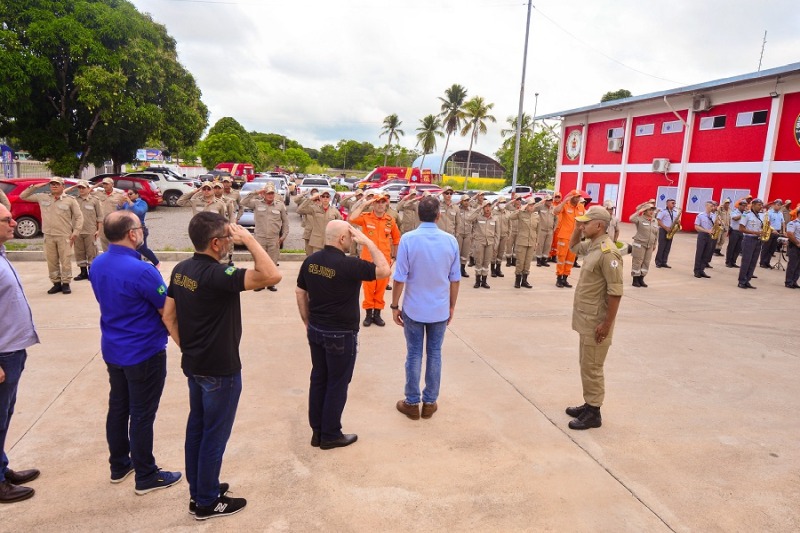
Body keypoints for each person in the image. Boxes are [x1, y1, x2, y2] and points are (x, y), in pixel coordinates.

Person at [162, 212, 282, 520]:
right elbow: (271, 274)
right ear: (216, 244)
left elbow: (168, 317)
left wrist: (188, 348)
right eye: (228, 238)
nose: (231, 242)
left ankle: (201, 488)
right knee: (214, 436)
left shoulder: (181, 269)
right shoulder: (219, 275)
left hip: (195, 365)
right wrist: (251, 239)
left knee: (198, 430)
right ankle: (206, 502)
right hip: (220, 370)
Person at [88, 211, 181, 495]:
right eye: (140, 228)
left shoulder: (98, 263)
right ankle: (146, 474)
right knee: (142, 414)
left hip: (114, 348)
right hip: (143, 351)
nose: (142, 232)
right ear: (132, 233)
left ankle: (119, 464)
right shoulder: (142, 270)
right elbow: (166, 310)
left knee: (119, 407)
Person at [295, 220, 391, 450]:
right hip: (340, 335)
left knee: (319, 379)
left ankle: (317, 432)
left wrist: (307, 320)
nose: (352, 241)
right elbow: (385, 270)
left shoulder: (311, 261)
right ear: (342, 239)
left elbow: (300, 292)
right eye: (350, 237)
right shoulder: (350, 265)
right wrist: (368, 242)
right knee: (337, 383)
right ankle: (330, 434)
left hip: (317, 330)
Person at [392, 196, 460, 420]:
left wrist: (394, 305)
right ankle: (430, 402)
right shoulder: (450, 241)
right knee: (435, 354)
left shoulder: (408, 239)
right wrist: (451, 306)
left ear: (419, 215)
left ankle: (412, 403)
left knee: (413, 354)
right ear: (439, 215)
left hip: (414, 308)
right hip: (439, 308)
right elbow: (455, 279)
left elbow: (400, 277)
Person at [564, 205, 623, 430]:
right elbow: (572, 247)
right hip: (586, 319)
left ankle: (594, 412)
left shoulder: (609, 253)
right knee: (586, 364)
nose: (582, 225)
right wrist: (578, 229)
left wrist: (606, 324)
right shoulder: (593, 246)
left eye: (586, 223)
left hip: (597, 321)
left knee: (593, 366)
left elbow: (615, 292)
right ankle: (589, 404)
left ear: (599, 226)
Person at [0, 205, 41, 503]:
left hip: (13, 348)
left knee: (5, 414)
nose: (15, 222)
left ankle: (2, 469)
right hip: (2, 354)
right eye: (7, 219)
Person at [20, 177, 83, 294]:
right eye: (52, 184)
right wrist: (35, 187)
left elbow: (79, 217)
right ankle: (56, 283)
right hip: (48, 235)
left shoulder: (70, 200)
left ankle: (66, 283)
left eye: (57, 184)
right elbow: (23, 196)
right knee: (51, 261)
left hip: (64, 235)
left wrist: (76, 232)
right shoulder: (42, 196)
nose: (54, 186)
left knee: (65, 260)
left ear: (63, 187)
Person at [348, 193, 400, 327]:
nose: (380, 204)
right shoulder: (366, 217)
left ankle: (377, 314)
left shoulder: (390, 220)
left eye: (383, 202)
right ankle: (368, 315)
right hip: (368, 259)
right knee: (368, 287)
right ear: (373, 204)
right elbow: (352, 218)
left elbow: (396, 239)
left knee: (381, 287)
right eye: (377, 202)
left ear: (386, 204)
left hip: (384, 260)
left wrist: (395, 256)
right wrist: (365, 203)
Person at [239, 183, 288, 292]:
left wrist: (283, 236)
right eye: (268, 193)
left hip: (274, 238)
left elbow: (285, 222)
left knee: (272, 261)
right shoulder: (256, 203)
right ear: (264, 194)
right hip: (260, 237)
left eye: (272, 193)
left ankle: (271, 283)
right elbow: (243, 202)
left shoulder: (279, 205)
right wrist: (256, 192)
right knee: (259, 262)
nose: (270, 195)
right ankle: (260, 284)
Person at [66, 180, 102, 281]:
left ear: (88, 188)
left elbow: (100, 216)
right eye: (79, 188)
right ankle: (83, 272)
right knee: (79, 252)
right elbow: (63, 193)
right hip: (77, 231)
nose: (81, 190)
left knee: (92, 253)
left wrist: (99, 230)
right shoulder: (74, 200)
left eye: (83, 187)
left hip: (90, 230)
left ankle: (92, 272)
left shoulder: (94, 200)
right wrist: (73, 187)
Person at [118, 188, 160, 269]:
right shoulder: (126, 204)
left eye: (131, 194)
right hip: (129, 228)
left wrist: (130, 202)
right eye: (128, 194)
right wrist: (120, 203)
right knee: (132, 248)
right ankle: (137, 264)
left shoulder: (142, 203)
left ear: (137, 194)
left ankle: (156, 262)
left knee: (142, 248)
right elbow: (119, 211)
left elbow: (139, 211)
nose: (129, 196)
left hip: (140, 229)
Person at [553, 190, 586, 288]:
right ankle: (559, 278)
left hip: (575, 238)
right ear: (571, 197)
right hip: (564, 236)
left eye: (579, 197)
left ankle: (565, 278)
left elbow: (584, 220)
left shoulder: (581, 207)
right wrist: (563, 202)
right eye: (576, 197)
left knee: (570, 259)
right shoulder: (565, 205)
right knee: (561, 258)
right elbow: (555, 211)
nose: (578, 198)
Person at [506, 197, 540, 288]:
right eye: (529, 205)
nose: (531, 207)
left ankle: (524, 280)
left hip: (531, 242)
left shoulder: (536, 216)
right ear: (526, 205)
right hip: (522, 242)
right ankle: (517, 281)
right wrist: (521, 209)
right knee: (520, 262)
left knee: (527, 262)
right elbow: (510, 217)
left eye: (533, 205)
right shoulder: (521, 214)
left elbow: (538, 230)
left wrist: (537, 242)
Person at [468, 200, 499, 289]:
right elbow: (469, 219)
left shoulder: (495, 218)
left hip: (490, 243)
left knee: (486, 263)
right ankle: (477, 281)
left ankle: (484, 281)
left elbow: (497, 233)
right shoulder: (478, 217)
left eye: (489, 206)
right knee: (479, 261)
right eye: (485, 206)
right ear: (483, 207)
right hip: (479, 242)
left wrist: (495, 245)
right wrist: (478, 209)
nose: (487, 208)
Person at [628, 203, 658, 287]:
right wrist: (639, 211)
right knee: (637, 261)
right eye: (649, 210)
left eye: (652, 210)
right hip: (640, 244)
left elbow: (656, 233)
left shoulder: (654, 220)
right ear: (645, 211)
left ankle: (641, 279)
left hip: (650, 245)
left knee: (646, 262)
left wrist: (655, 243)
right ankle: (635, 280)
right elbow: (631, 218)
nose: (651, 211)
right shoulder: (640, 219)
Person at [93, 178, 126, 251]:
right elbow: (88, 191)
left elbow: (125, 207)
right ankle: (107, 258)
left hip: (114, 223)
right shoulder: (99, 192)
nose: (105, 185)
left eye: (107, 184)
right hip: (102, 223)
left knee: (115, 242)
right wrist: (97, 185)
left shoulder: (119, 194)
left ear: (112, 185)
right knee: (104, 242)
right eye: (104, 184)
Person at [738, 199, 765, 289]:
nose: (761, 206)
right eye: (758, 205)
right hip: (748, 239)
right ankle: (741, 281)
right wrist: (755, 232)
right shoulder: (746, 214)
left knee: (753, 262)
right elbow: (741, 228)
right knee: (746, 261)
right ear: (753, 205)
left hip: (757, 240)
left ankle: (747, 280)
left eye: (761, 205)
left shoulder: (760, 216)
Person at [760, 200, 786, 268]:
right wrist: (772, 230)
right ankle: (762, 262)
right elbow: (766, 223)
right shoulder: (769, 212)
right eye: (777, 204)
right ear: (774, 205)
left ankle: (767, 262)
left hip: (777, 232)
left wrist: (783, 231)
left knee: (772, 248)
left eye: (780, 205)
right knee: (766, 248)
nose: (779, 206)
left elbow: (783, 222)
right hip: (769, 231)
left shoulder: (780, 213)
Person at [693, 201, 716, 279]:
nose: (712, 207)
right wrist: (707, 231)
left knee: (706, 254)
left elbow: (716, 225)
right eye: (710, 206)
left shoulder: (714, 216)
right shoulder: (700, 216)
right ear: (706, 206)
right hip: (702, 235)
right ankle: (696, 271)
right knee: (700, 253)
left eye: (713, 206)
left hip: (710, 236)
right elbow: (696, 226)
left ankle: (702, 270)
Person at [655, 199, 680, 268]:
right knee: (661, 247)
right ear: (667, 204)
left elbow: (676, 220)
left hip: (671, 230)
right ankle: (658, 262)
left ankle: (664, 262)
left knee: (667, 247)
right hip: (663, 230)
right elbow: (658, 220)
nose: (674, 205)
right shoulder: (663, 211)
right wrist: (665, 227)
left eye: (674, 203)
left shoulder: (675, 212)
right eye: (672, 203)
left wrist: (677, 223)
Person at [533, 196, 555, 267]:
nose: (549, 201)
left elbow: (556, 219)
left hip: (550, 230)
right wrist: (541, 201)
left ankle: (544, 260)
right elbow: (533, 208)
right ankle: (538, 260)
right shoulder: (541, 207)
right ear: (545, 200)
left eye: (551, 200)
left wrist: (554, 228)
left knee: (547, 245)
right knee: (540, 245)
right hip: (541, 229)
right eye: (548, 200)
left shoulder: (553, 208)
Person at [491, 199, 510, 278]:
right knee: (494, 252)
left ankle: (498, 269)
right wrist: (494, 204)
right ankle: (492, 270)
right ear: (498, 203)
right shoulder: (494, 212)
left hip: (504, 235)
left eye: (504, 202)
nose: (503, 204)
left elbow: (510, 225)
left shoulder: (507, 213)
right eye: (501, 202)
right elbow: (487, 210)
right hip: (496, 235)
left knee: (501, 252)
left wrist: (509, 234)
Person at [455, 196, 472, 278]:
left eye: (468, 200)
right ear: (461, 201)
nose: (466, 202)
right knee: (457, 252)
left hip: (468, 233)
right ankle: (455, 269)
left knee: (465, 253)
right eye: (465, 200)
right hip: (459, 233)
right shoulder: (457, 209)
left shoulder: (471, 211)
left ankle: (463, 269)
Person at [726, 199, 747, 268]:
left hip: (742, 232)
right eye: (743, 206)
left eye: (745, 206)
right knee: (731, 247)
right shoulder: (734, 211)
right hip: (734, 231)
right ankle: (728, 262)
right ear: (739, 206)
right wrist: (743, 214)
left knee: (738, 248)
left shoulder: (746, 213)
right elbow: (735, 218)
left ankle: (733, 261)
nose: (744, 207)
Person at [785, 214, 800, 288]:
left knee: (798, 266)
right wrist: (797, 243)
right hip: (795, 246)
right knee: (793, 265)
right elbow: (790, 234)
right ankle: (789, 281)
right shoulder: (793, 223)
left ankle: (794, 281)